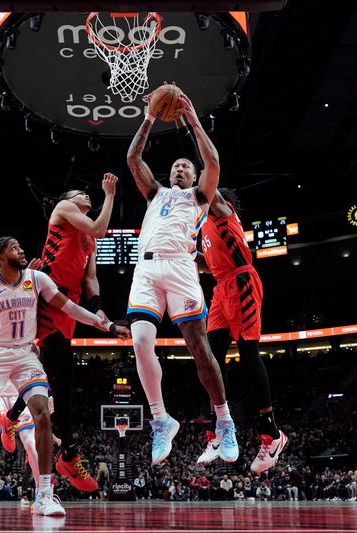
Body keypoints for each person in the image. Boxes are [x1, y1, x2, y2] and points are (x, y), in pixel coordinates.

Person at [0, 236, 129, 516]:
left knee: (42, 414)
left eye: (20, 245)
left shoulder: (36, 279)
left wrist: (107, 325)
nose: (21, 249)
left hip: (25, 355)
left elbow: (69, 308)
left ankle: (45, 495)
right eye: (14, 247)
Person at [125, 88, 238, 465]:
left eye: (185, 167)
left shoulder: (200, 198)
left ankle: (224, 420)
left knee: (197, 347)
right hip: (146, 267)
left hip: (181, 267)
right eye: (175, 166)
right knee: (141, 341)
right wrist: (149, 117)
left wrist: (191, 118)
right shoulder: (154, 193)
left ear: (193, 175)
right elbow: (132, 157)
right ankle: (161, 420)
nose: (179, 169)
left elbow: (213, 161)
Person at [3, 173, 118, 492]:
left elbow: (91, 278)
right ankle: (68, 454)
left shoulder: (89, 240)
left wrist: (97, 306)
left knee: (47, 371)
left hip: (70, 302)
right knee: (62, 378)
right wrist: (109, 195)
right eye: (82, 192)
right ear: (67, 197)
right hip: (47, 295)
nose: (87, 196)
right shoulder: (65, 209)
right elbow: (99, 226)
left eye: (89, 194)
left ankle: (11, 417)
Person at [194, 187, 287, 472]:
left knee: (248, 354)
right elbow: (208, 265)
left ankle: (271, 433)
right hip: (221, 288)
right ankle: (217, 430)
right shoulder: (204, 227)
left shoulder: (224, 212)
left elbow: (208, 186)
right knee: (209, 359)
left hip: (242, 281)